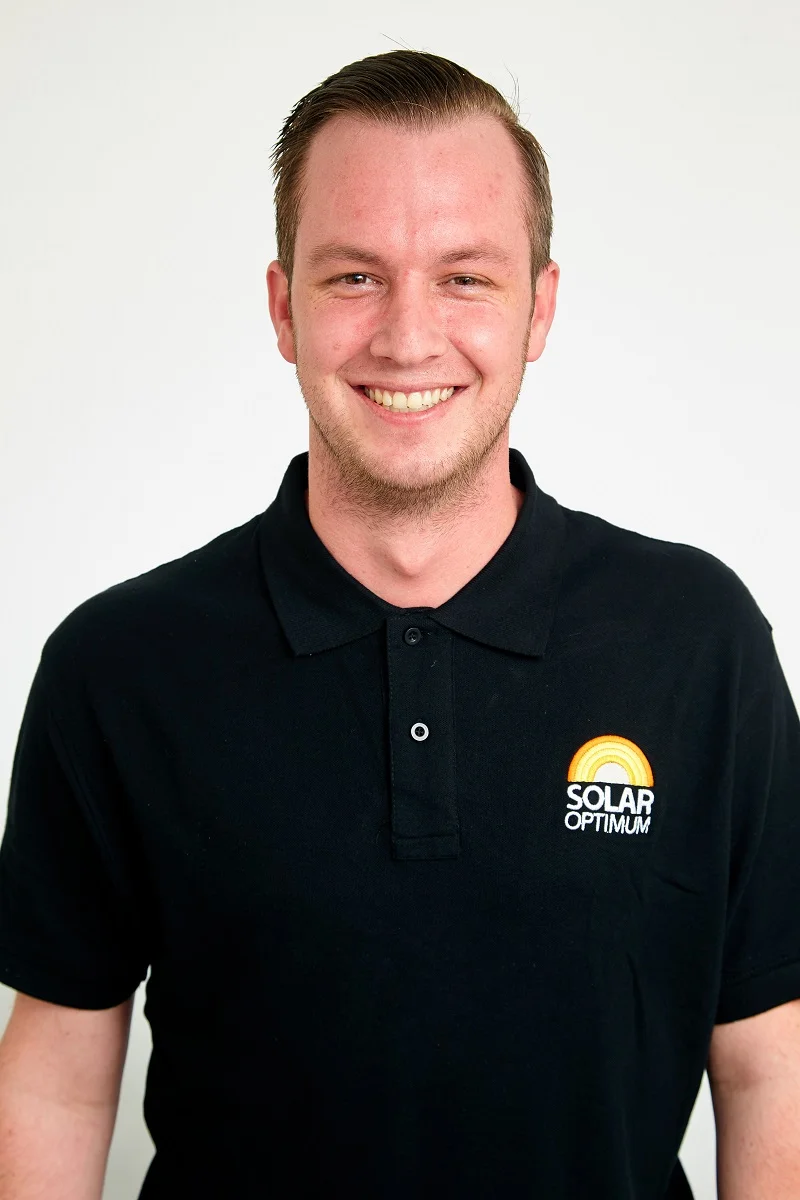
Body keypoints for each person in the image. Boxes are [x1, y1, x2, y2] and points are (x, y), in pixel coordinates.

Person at [0, 48, 798, 1200]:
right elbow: (57, 1084)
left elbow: (771, 1068)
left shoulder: (696, 642)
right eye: (353, 277)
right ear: (283, 307)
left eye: (464, 277)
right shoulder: (118, 668)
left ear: (539, 307)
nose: (407, 337)